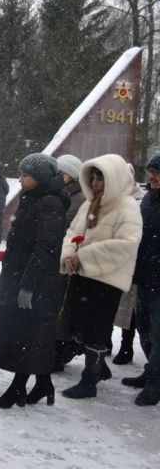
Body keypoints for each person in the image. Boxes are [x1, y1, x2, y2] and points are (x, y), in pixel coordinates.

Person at [60, 154, 142, 399]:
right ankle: (98, 369)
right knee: (81, 328)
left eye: (101, 178)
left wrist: (83, 256)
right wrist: (68, 256)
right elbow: (72, 232)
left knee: (96, 331)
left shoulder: (127, 207)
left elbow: (127, 244)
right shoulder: (90, 203)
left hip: (107, 281)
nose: (95, 183)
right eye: (93, 178)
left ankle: (89, 381)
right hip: (84, 277)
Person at [0, 153, 68, 409]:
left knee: (27, 333)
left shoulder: (49, 203)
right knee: (29, 333)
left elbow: (46, 248)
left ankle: (17, 387)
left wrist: (28, 285)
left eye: (26, 175)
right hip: (21, 274)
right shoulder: (34, 198)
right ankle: (43, 383)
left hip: (35, 281)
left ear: (40, 177)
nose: (21, 179)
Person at [122, 153, 160, 405]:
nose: (152, 176)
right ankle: (151, 371)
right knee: (144, 331)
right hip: (145, 277)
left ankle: (156, 384)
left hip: (159, 280)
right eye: (150, 172)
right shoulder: (149, 197)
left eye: (156, 172)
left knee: (158, 335)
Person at [110, 164, 146, 365]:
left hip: (131, 261)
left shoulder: (140, 201)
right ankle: (105, 342)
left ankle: (126, 346)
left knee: (128, 308)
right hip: (114, 261)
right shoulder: (112, 199)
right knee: (111, 304)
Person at [53, 154, 85, 371]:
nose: (58, 177)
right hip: (57, 257)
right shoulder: (63, 194)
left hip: (68, 260)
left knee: (64, 309)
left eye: (62, 174)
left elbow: (71, 228)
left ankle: (63, 349)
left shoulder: (80, 199)